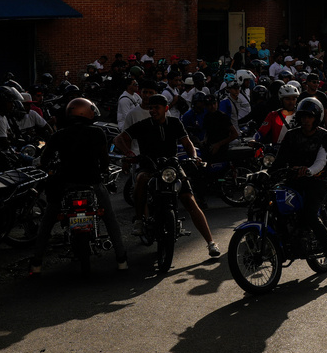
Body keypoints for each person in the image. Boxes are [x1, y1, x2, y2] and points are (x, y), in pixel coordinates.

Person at [30, 98, 129, 274]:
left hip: (65, 184)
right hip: (93, 182)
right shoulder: (98, 132)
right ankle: (121, 259)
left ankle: (36, 264)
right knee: (110, 218)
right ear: (87, 112)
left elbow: (45, 159)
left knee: (47, 221)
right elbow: (104, 159)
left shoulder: (59, 134)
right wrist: (104, 170)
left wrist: (44, 165)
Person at [114, 95, 220, 257]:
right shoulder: (143, 125)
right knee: (140, 179)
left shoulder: (175, 123)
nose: (152, 110)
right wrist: (128, 153)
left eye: (156, 107)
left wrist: (194, 157)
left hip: (172, 166)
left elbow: (187, 143)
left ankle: (211, 243)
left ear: (166, 108)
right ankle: (139, 220)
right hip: (149, 165)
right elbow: (119, 139)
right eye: (151, 107)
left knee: (190, 200)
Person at [270, 97, 327, 274]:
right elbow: (279, 161)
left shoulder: (324, 136)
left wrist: (308, 170)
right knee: (272, 205)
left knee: (310, 215)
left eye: (309, 117)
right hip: (293, 181)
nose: (306, 120)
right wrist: (267, 173)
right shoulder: (291, 135)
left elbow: (320, 161)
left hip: (317, 183)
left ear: (316, 117)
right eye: (303, 116)